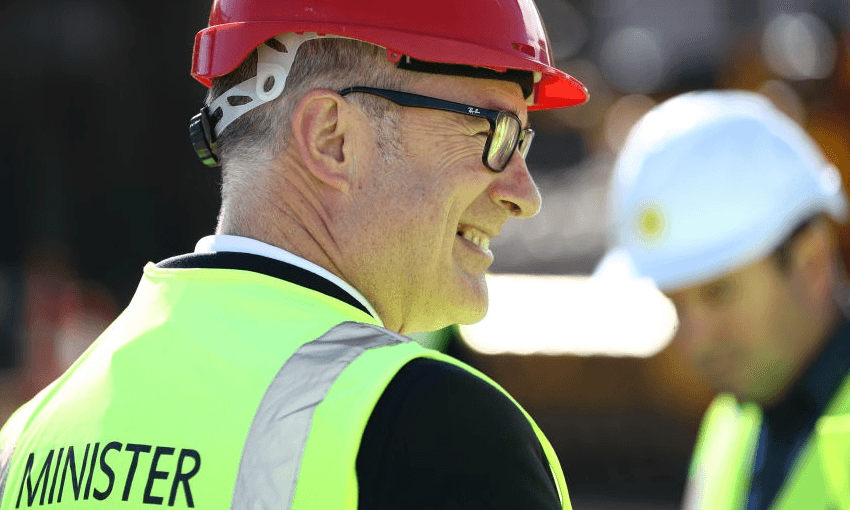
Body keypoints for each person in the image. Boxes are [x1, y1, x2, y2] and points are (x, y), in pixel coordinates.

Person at [0, 1, 589, 509]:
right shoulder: (438, 427)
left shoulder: (32, 435)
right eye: (493, 133)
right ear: (332, 137)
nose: (525, 195)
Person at [594, 90, 850, 509]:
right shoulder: (730, 427)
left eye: (718, 292)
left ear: (812, 261)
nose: (693, 340)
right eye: (675, 304)